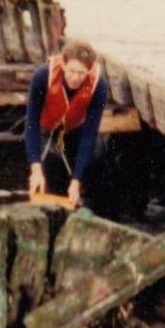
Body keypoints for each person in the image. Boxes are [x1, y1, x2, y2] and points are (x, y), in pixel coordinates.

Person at [25, 40, 108, 207]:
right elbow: (31, 122)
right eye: (71, 71)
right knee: (51, 174)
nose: (76, 78)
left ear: (90, 70)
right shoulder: (42, 76)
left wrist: (77, 180)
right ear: (63, 64)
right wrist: (35, 169)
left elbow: (90, 133)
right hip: (46, 129)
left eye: (81, 73)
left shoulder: (99, 86)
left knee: (96, 155)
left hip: (75, 129)